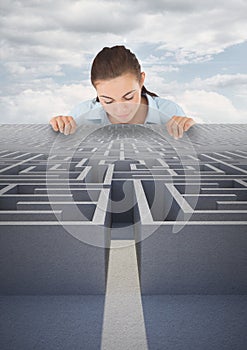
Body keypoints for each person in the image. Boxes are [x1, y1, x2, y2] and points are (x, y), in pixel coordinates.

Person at [49, 45, 195, 139]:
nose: (120, 109)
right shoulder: (81, 115)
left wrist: (192, 132)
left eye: (129, 97)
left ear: (141, 80)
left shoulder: (169, 112)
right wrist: (57, 128)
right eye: (108, 101)